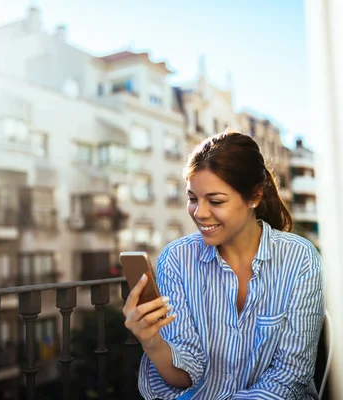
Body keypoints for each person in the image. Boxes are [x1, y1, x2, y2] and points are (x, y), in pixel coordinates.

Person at [123, 130, 325, 399]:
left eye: (216, 201)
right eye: (193, 198)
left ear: (254, 197)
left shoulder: (299, 258)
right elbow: (186, 374)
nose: (200, 213)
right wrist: (152, 342)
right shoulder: (176, 259)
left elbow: (290, 376)